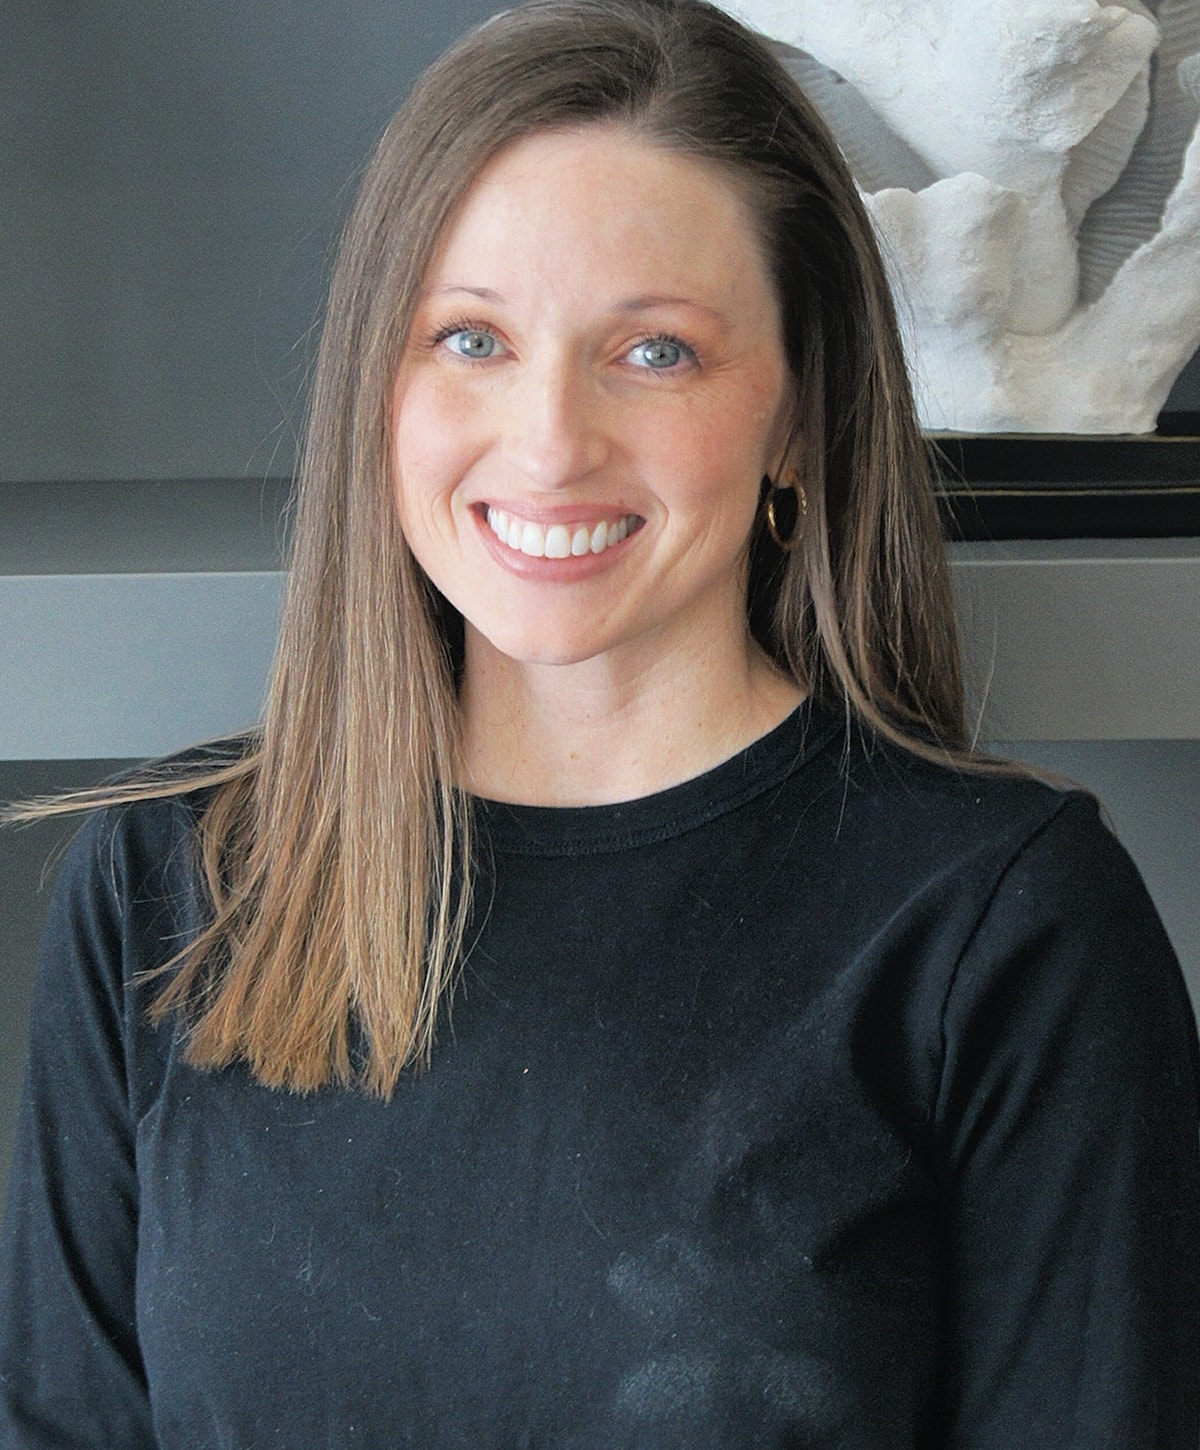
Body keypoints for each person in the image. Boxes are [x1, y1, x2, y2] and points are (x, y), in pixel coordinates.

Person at [2, 0, 1197, 1444]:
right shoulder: (163, 889)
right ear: (377, 391)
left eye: (657, 353)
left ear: (801, 414)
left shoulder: (1008, 929)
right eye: (471, 338)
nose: (553, 440)